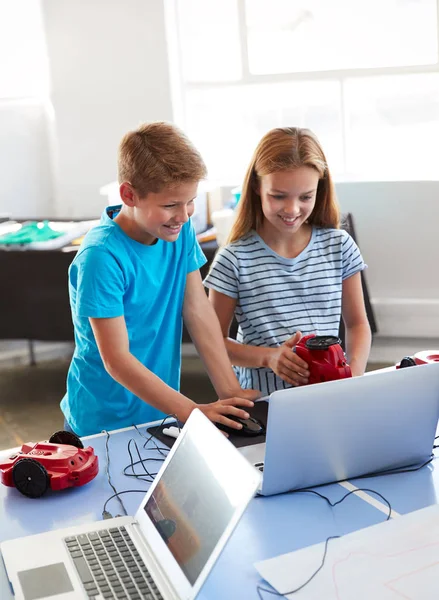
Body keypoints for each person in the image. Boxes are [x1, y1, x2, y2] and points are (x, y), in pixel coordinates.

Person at [61, 122, 259, 436]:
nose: (184, 215)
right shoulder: (101, 256)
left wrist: (230, 391)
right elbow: (117, 361)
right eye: (170, 205)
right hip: (101, 422)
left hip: (161, 412)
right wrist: (192, 412)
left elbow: (198, 311)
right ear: (129, 194)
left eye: (190, 201)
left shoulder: (179, 231)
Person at [204, 127, 371, 396]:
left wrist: (353, 375)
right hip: (266, 405)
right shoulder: (233, 259)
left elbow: (358, 324)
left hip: (328, 398)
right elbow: (211, 343)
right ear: (257, 187)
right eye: (279, 196)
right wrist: (268, 357)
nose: (292, 210)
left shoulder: (339, 246)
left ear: (320, 188)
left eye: (305, 197)